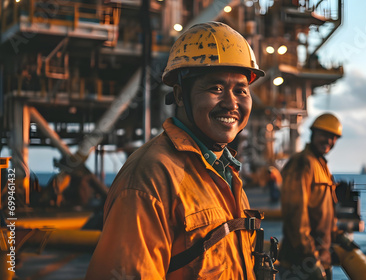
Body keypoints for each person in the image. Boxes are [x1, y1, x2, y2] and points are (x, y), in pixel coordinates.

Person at [85, 21, 266, 279]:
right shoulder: (151, 176)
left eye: (241, 90)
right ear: (180, 96)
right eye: (216, 88)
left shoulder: (226, 173)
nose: (231, 103)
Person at [278, 113, 342, 280]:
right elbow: (295, 214)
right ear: (313, 134)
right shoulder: (302, 163)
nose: (328, 141)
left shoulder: (321, 165)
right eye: (324, 135)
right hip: (301, 263)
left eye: (333, 137)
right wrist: (310, 258)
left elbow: (324, 210)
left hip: (320, 260)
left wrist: (337, 234)